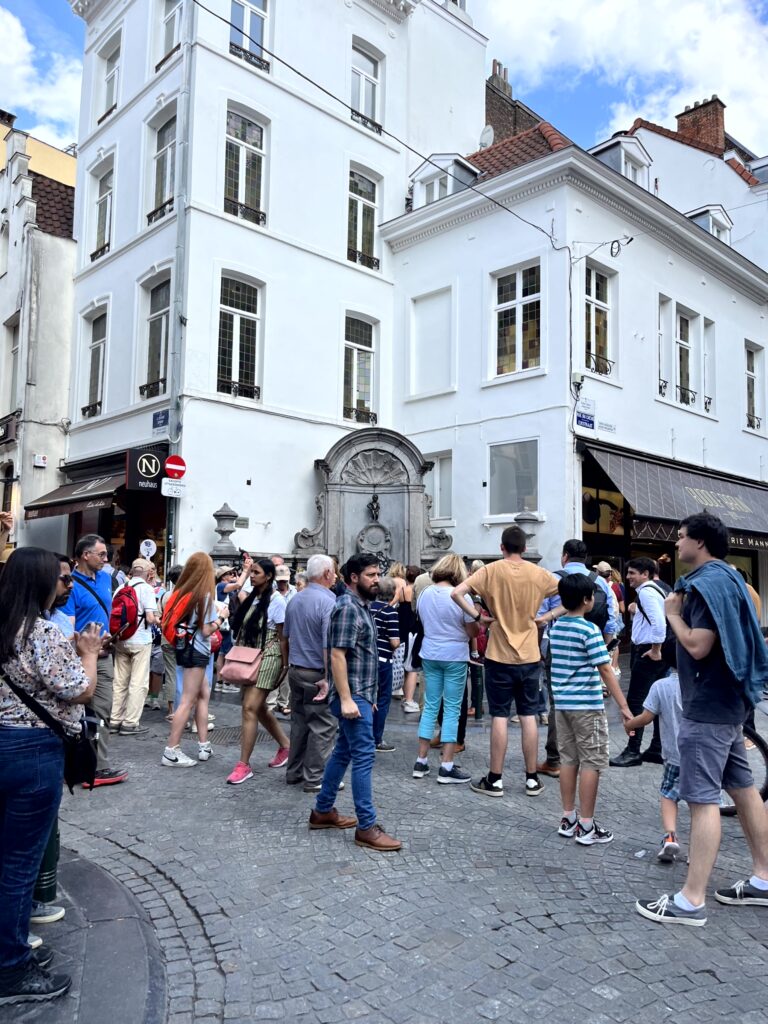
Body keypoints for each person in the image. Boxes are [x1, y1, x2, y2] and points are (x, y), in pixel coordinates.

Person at [636, 513, 768, 926]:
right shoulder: (729, 578)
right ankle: (764, 879)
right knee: (744, 789)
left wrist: (673, 614)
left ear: (700, 542)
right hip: (728, 705)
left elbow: (698, 645)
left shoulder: (704, 586)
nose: (676, 544)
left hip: (707, 706)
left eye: (681, 537)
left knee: (702, 799)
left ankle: (690, 901)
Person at [0, 548, 102, 1005]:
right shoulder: (41, 632)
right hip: (33, 752)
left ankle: (10, 949)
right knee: (20, 863)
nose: (65, 587)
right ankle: (10, 967)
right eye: (59, 579)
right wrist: (89, 655)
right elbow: (79, 690)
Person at [452, 526, 558, 798]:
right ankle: (532, 778)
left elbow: (457, 593)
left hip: (499, 654)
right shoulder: (538, 573)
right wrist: (547, 617)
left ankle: (495, 779)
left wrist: (479, 617)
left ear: (502, 547)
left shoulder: (491, 570)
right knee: (528, 715)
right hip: (529, 655)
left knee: (499, 715)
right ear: (524, 548)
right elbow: (573, 594)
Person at [309, 554, 401, 852]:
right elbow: (337, 655)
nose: (377, 580)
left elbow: (361, 658)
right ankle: (366, 827)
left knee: (343, 752)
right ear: (353, 578)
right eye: (371, 575)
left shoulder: (362, 606)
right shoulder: (348, 608)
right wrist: (349, 699)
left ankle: (322, 811)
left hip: (360, 695)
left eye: (377, 574)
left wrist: (367, 698)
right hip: (351, 697)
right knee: (364, 756)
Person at [550, 574, 632, 845]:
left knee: (568, 759)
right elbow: (605, 669)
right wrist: (623, 706)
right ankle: (586, 826)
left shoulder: (557, 627)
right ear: (587, 600)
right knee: (592, 762)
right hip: (586, 705)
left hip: (562, 704)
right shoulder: (589, 630)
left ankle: (568, 818)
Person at [537, 540, 614, 778]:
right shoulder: (600, 582)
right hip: (593, 646)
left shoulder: (552, 579)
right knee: (588, 698)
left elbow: (540, 618)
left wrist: (540, 649)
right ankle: (586, 753)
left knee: (557, 701)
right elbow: (611, 620)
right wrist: (604, 647)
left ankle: (555, 759)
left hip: (558, 645)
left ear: (565, 556)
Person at [63, 534, 127, 787]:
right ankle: (80, 765)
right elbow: (67, 628)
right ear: (85, 555)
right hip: (79, 657)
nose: (106, 559)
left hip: (103, 655)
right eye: (101, 554)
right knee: (75, 711)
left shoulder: (105, 579)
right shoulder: (70, 585)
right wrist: (84, 648)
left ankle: (96, 766)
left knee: (102, 710)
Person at [412, 554, 478, 784]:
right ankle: (446, 765)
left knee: (430, 706)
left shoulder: (424, 593)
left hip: (430, 652)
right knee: (452, 709)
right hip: (454, 655)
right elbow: (472, 631)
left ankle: (421, 761)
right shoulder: (462, 596)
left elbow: (422, 621)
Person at [226, 559, 290, 784]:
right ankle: (286, 746)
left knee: (249, 708)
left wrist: (285, 666)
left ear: (269, 576)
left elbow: (283, 637)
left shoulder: (277, 600)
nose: (252, 575)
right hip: (251, 656)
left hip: (269, 656)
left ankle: (244, 765)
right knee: (258, 708)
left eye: (256, 572)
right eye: (251, 572)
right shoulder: (253, 598)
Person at [161, 553, 225, 766]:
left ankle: (204, 745)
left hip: (184, 648)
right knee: (188, 701)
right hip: (197, 651)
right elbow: (206, 630)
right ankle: (171, 750)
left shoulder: (180, 594)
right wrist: (222, 618)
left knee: (203, 694)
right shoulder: (202, 596)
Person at [283, 554, 338, 791]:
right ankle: (315, 777)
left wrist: (287, 666)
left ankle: (294, 772)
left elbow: (285, 637)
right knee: (323, 725)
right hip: (316, 672)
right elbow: (328, 645)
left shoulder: (295, 599)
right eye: (334, 571)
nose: (335, 576)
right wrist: (327, 677)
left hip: (296, 669)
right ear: (327, 573)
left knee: (300, 723)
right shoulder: (328, 602)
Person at [623, 650, 683, 863]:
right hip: (702, 756)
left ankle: (670, 836)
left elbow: (646, 717)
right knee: (701, 804)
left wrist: (629, 725)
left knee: (668, 795)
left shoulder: (661, 686)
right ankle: (698, 850)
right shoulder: (702, 683)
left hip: (674, 755)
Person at [609, 557, 667, 768]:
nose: (628, 577)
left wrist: (655, 649)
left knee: (635, 702)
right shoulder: (656, 590)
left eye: (633, 573)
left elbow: (659, 624)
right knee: (658, 701)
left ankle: (633, 749)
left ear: (645, 574)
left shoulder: (646, 593)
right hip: (654, 652)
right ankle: (657, 748)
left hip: (647, 652)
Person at [110, 558, 158, 736]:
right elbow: (150, 618)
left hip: (121, 639)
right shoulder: (146, 589)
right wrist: (160, 621)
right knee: (138, 682)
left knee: (119, 681)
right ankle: (130, 723)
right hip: (140, 641)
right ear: (147, 573)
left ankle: (114, 720)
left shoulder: (120, 588)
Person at [370, 577, 400, 753]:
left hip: (368, 658)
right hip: (383, 659)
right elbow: (394, 642)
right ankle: (376, 738)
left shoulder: (368, 607)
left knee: (367, 697)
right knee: (383, 698)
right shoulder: (390, 612)